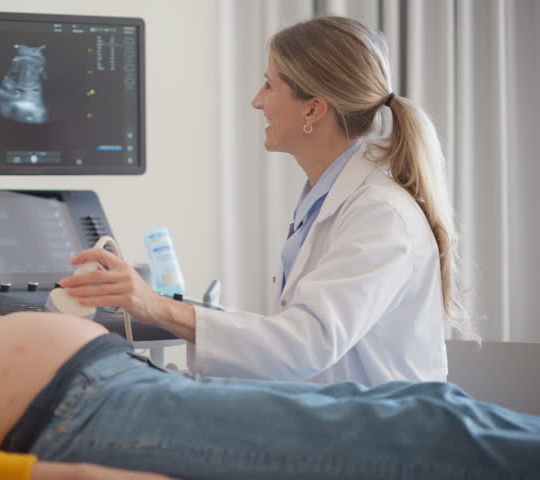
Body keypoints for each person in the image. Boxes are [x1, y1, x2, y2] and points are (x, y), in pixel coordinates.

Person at [0, 235, 540, 480]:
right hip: (75, 416)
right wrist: (53, 479)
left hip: (105, 384)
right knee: (408, 431)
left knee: (409, 409)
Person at [60, 16, 466, 386]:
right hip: (328, 418)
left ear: (313, 108)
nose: (257, 101)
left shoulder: (380, 214)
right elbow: (293, 341)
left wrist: (155, 306)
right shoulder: (326, 198)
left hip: (372, 442)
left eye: (270, 85)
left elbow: (305, 344)